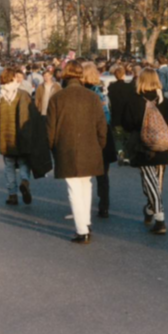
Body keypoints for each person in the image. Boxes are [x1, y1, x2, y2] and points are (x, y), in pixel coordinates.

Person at [46, 60, 107, 244]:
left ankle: (81, 229)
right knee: (86, 185)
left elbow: (50, 130)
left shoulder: (57, 98)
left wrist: (52, 148)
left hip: (67, 148)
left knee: (74, 188)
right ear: (81, 75)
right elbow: (101, 126)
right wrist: (100, 145)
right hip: (90, 147)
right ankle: (86, 223)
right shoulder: (92, 97)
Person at [122, 68, 168, 235]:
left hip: (143, 149)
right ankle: (149, 210)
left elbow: (126, 124)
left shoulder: (133, 101)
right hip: (162, 148)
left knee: (150, 183)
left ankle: (159, 219)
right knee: (157, 185)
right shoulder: (165, 102)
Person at [0, 69, 48, 206]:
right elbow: (31, 116)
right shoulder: (23, 95)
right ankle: (25, 181)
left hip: (6, 139)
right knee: (23, 163)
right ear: (14, 79)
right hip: (22, 138)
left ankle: (12, 195)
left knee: (9, 167)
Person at [82, 62, 118, 218]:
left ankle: (84, 203)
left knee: (84, 174)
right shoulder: (101, 91)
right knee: (103, 174)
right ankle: (104, 204)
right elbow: (106, 116)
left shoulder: (82, 92)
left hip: (87, 135)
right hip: (103, 133)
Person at [108, 65, 134, 165]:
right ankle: (127, 156)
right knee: (127, 136)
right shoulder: (129, 87)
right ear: (124, 75)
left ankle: (120, 152)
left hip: (116, 115)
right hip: (127, 116)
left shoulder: (112, 87)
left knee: (118, 137)